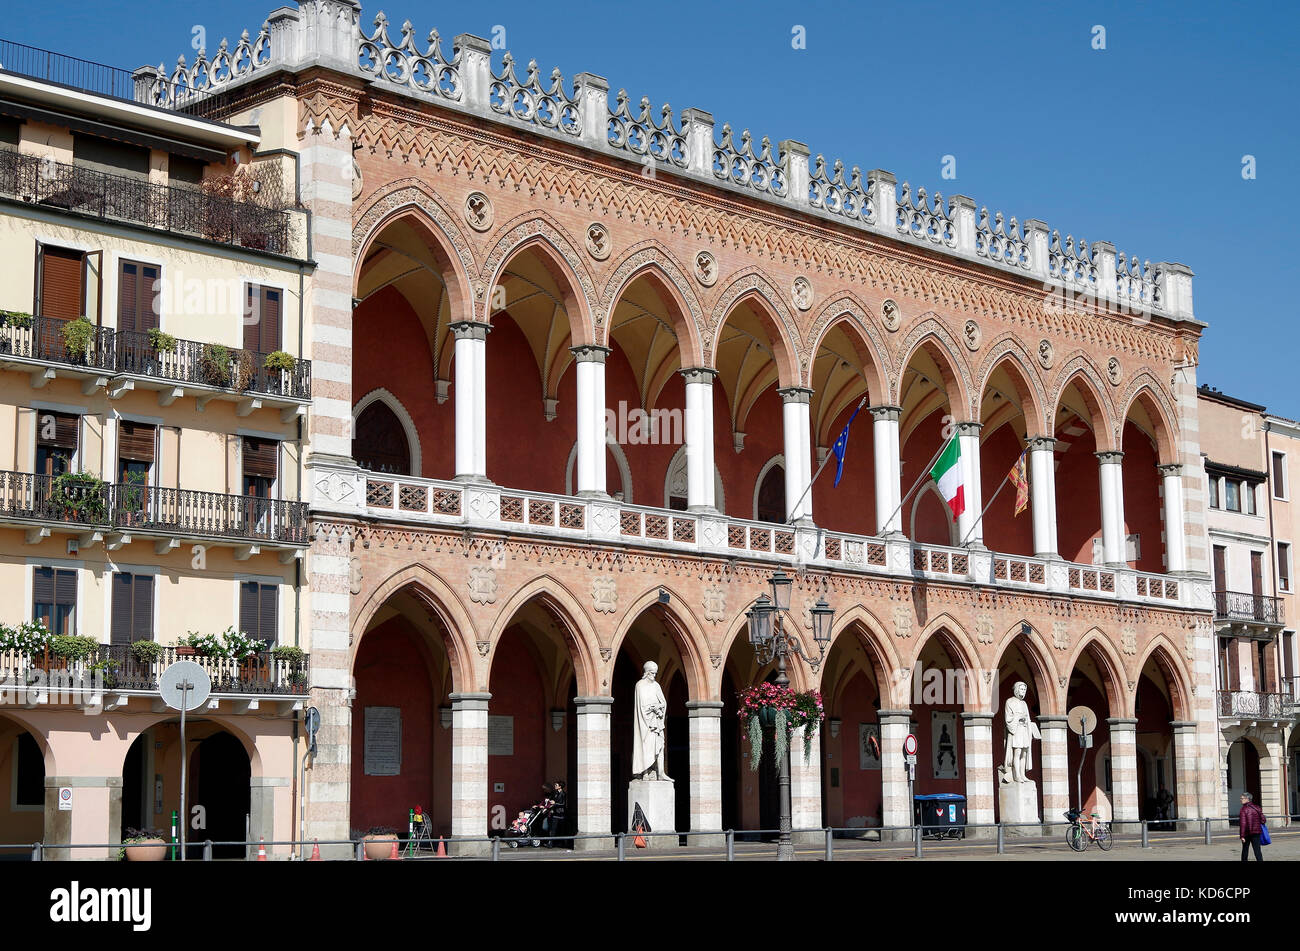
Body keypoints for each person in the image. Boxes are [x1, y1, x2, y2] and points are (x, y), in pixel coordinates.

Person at [1238, 792, 1265, 862]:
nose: (1240, 800)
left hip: (1247, 833)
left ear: (1247, 799)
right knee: (1257, 850)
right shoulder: (1257, 807)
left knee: (1245, 850)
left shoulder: (1243, 809)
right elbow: (1263, 820)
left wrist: (1242, 836)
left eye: (1242, 798)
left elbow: (1243, 824)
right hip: (1256, 832)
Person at [543, 780, 567, 848]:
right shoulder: (555, 793)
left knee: (560, 829)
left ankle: (562, 843)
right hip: (554, 813)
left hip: (560, 813)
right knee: (552, 829)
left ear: (560, 786)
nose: (555, 786)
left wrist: (555, 803)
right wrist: (549, 802)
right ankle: (551, 843)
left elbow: (563, 804)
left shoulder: (563, 793)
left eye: (556, 785)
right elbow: (552, 801)